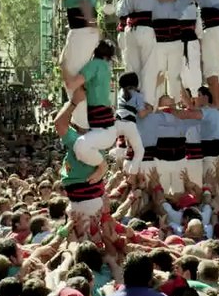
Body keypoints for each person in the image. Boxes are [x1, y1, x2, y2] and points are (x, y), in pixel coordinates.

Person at [50, 0, 97, 128]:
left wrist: (93, 27)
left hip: (83, 30)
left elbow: (84, 0)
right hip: (78, 31)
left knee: (74, 81)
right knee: (64, 67)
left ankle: (84, 126)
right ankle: (80, 122)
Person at [53, 87, 109, 226]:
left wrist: (73, 102)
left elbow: (59, 123)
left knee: (86, 241)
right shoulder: (95, 137)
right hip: (83, 201)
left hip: (86, 203)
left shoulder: (79, 140)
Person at [117, 0, 171, 105]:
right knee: (148, 69)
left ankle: (134, 101)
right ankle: (146, 103)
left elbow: (121, 12)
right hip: (144, 29)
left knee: (133, 69)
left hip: (129, 31)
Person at [178, 0, 219, 109]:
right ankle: (217, 103)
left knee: (211, 70)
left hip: (211, 29)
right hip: (215, 29)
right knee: (214, 69)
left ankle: (217, 104)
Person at [69, 40, 120, 170]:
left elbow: (74, 83)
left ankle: (102, 166)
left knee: (80, 146)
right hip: (103, 128)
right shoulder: (104, 67)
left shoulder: (94, 65)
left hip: (104, 129)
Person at [113, 72, 148, 175]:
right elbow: (141, 114)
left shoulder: (120, 92)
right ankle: (132, 173)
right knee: (139, 151)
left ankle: (117, 153)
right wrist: (149, 110)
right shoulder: (138, 95)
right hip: (130, 125)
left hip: (117, 122)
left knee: (107, 142)